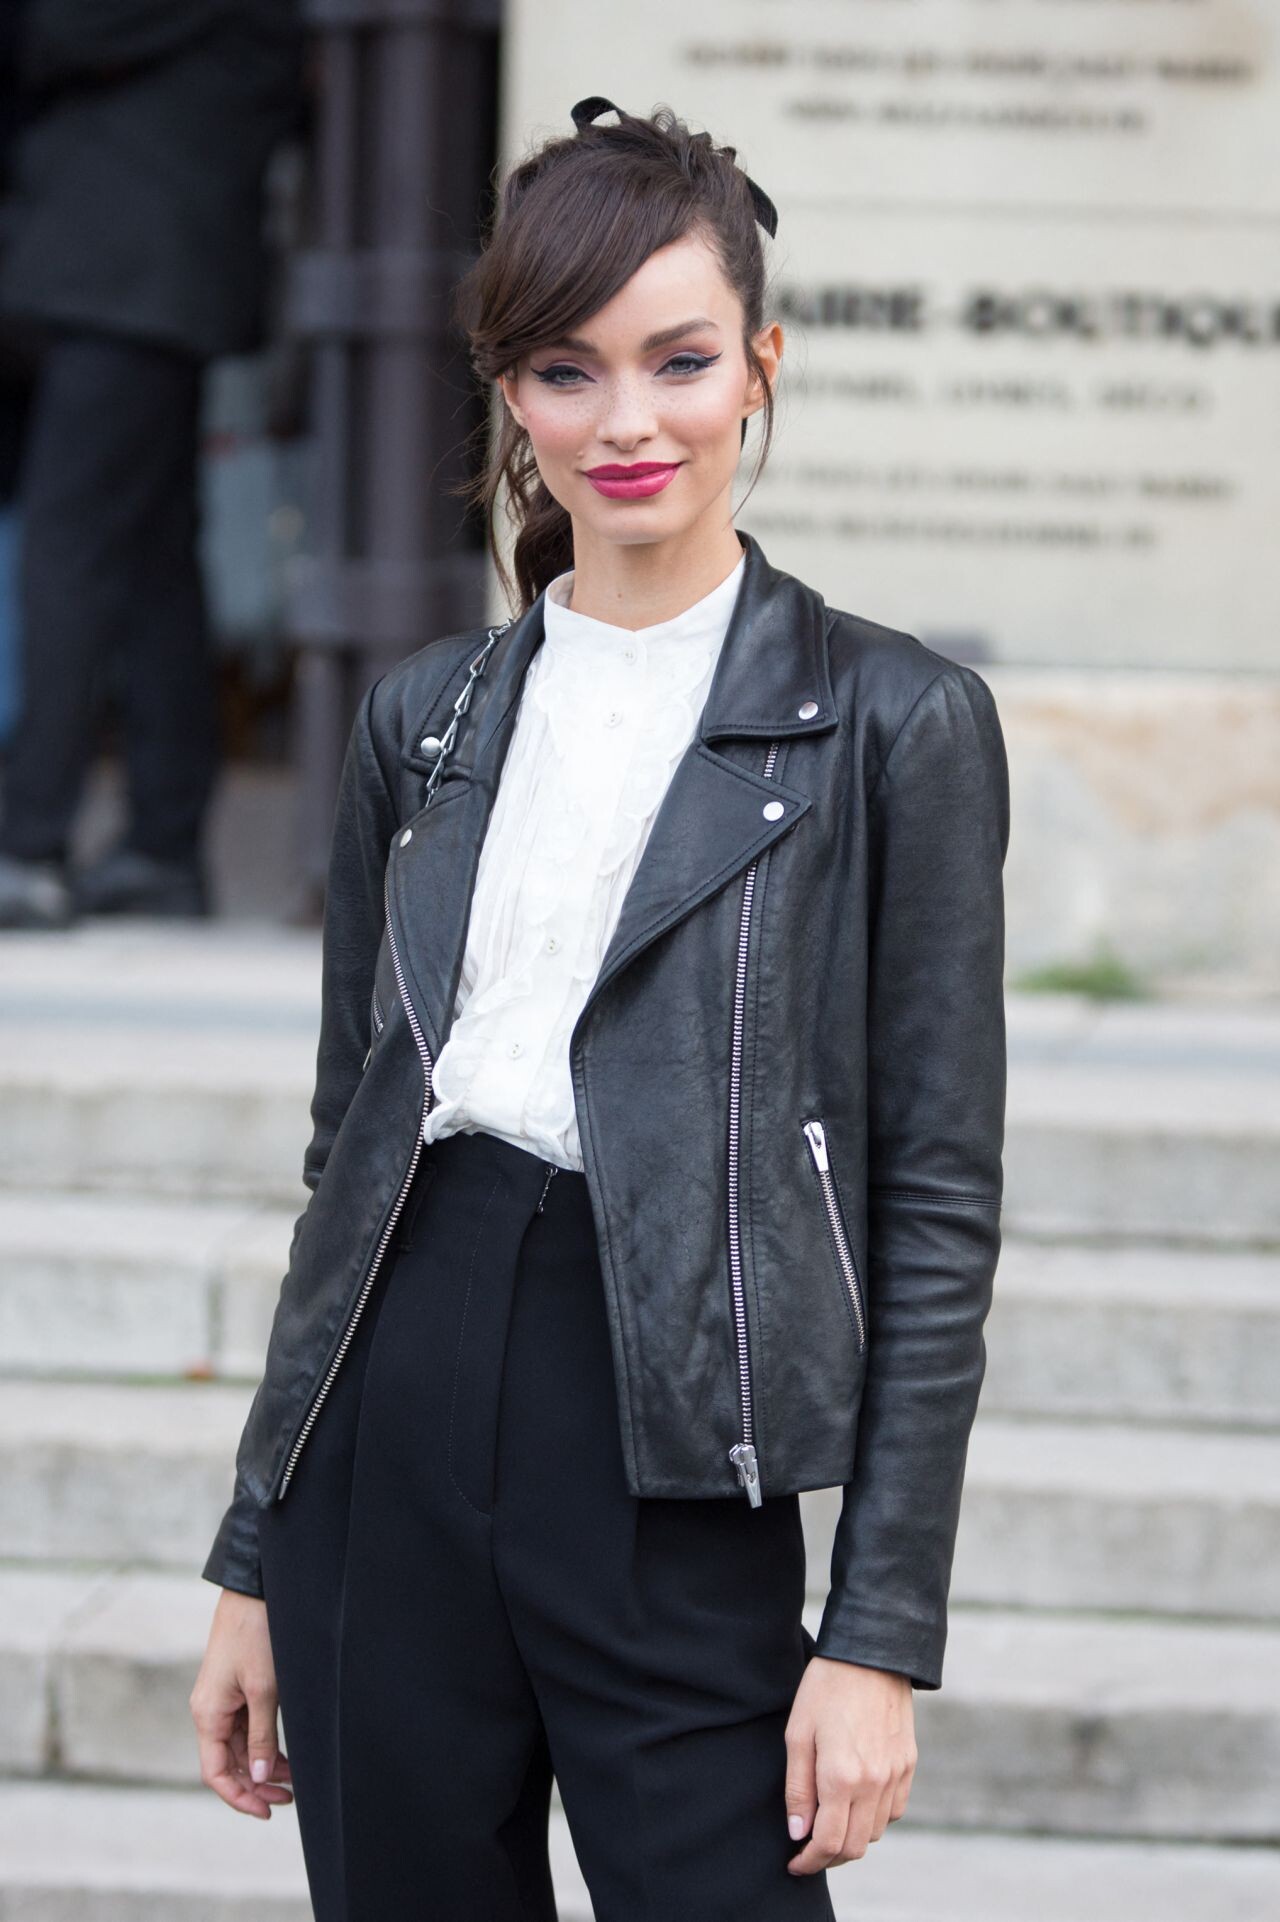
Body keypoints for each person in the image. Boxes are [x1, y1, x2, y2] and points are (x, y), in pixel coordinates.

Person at [190, 97, 1010, 1921]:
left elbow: (937, 1204)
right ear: (511, 396)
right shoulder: (424, 721)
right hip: (386, 1425)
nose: (627, 422)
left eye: (680, 360)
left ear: (761, 366)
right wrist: (254, 1551)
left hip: (677, 1454)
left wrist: (877, 1630)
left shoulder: (896, 725)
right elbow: (348, 1154)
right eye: (567, 370)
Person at [0, 0, 302, 927]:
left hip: (125, 270)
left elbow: (54, 33)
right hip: (144, 266)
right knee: (150, 563)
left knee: (71, 547)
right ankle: (161, 849)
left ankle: (28, 845)